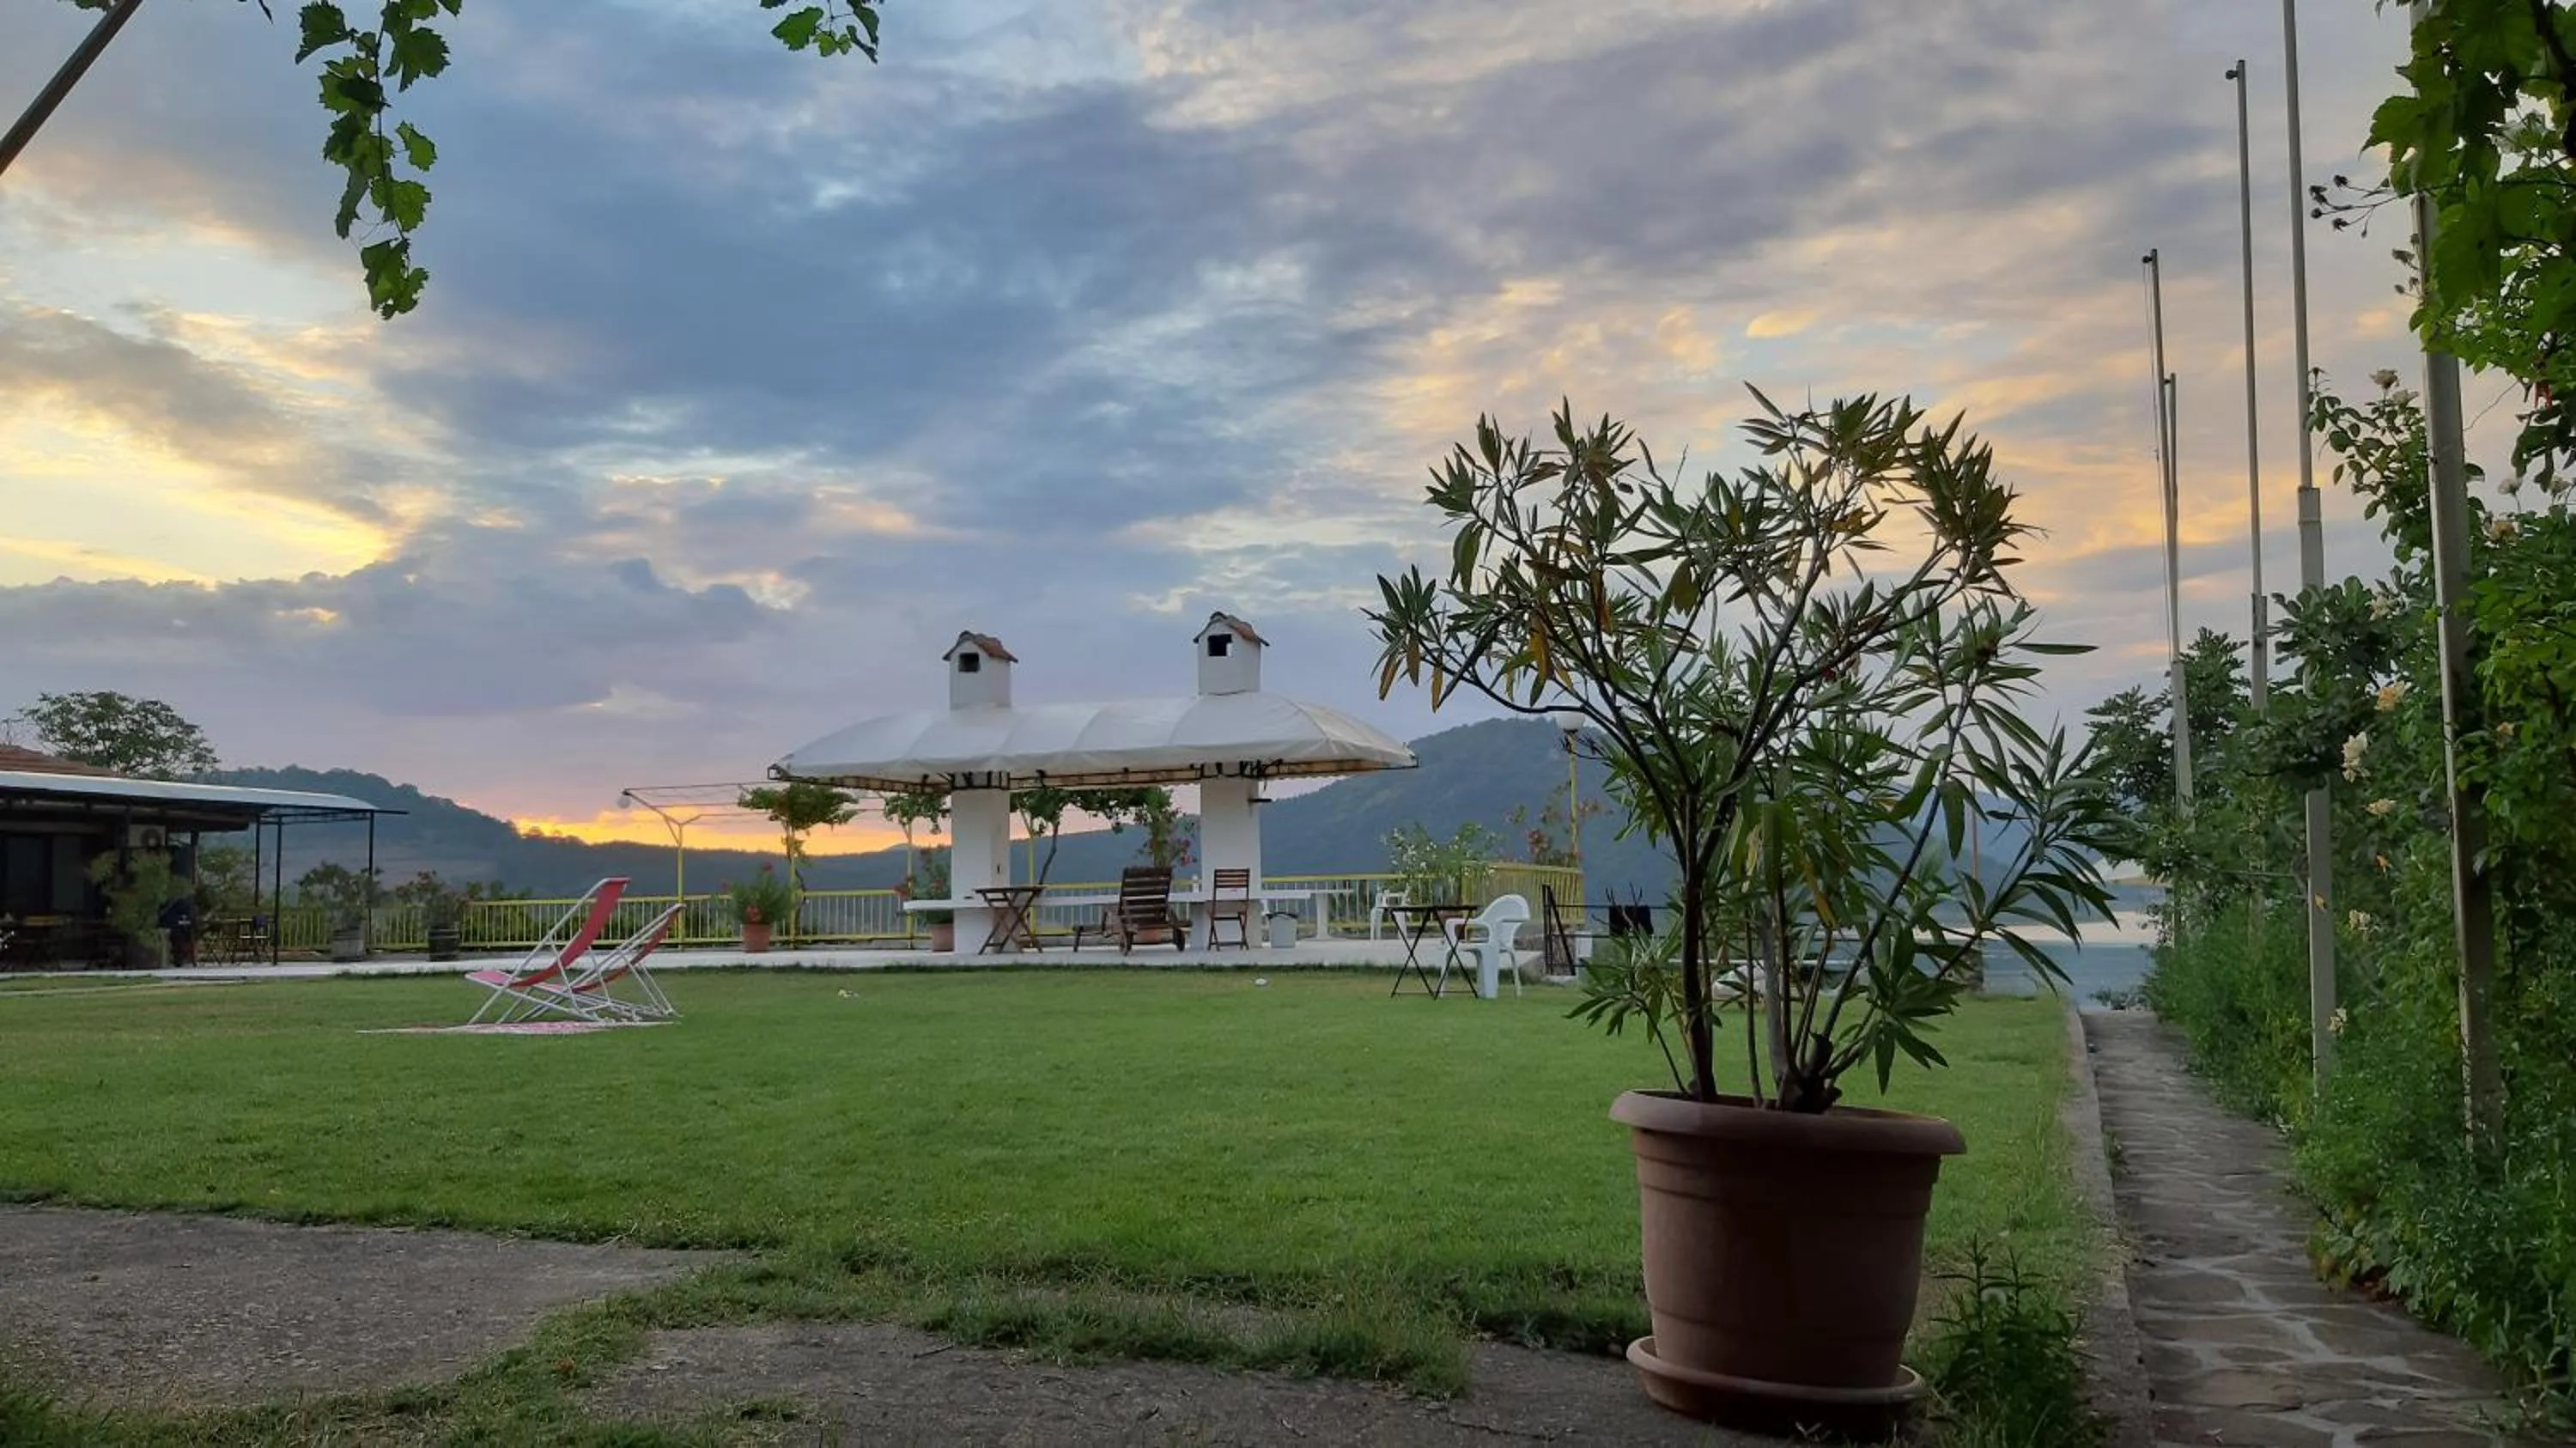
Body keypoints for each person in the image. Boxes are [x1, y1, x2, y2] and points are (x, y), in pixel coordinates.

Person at [159, 891, 197, 968]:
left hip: (183, 927)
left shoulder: (186, 904)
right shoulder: (171, 903)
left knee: (184, 936)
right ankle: (179, 957)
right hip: (175, 927)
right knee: (178, 936)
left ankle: (182, 957)